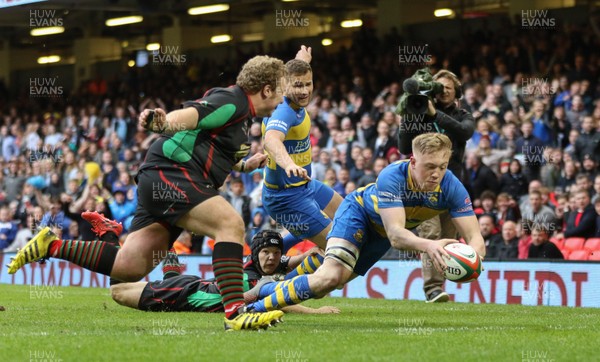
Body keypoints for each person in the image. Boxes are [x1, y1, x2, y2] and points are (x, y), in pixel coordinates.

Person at [8, 53, 295, 331]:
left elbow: (215, 150)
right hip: (171, 173)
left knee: (129, 267)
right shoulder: (234, 100)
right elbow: (192, 115)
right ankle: (235, 313)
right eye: (280, 91)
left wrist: (246, 165)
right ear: (266, 89)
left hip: (164, 179)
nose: (283, 98)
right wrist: (162, 123)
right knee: (230, 224)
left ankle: (52, 245)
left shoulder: (242, 118)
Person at [248, 133, 486, 312]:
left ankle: (266, 288)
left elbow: (475, 237)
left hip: (378, 239)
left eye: (442, 167)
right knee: (330, 276)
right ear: (413, 161)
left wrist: (474, 258)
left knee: (325, 287)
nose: (437, 174)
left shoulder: (452, 186)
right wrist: (430, 245)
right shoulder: (393, 176)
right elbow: (396, 234)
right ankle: (251, 309)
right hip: (358, 213)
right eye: (430, 167)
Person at [110, 229, 339, 315]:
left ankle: (168, 249)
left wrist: (313, 253)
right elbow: (281, 301)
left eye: (276, 253)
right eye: (267, 252)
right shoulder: (252, 281)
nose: (272, 257)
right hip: (184, 294)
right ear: (257, 253)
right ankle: (110, 237)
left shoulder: (265, 262)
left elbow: (289, 261)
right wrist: (315, 312)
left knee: (171, 276)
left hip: (195, 282)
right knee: (118, 292)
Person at [398, 69, 476, 303]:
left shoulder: (463, 115)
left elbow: (464, 132)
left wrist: (434, 115)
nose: (442, 92)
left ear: (457, 94)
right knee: (431, 234)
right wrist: (407, 118)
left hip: (452, 186)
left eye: (447, 89)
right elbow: (403, 147)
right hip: (423, 186)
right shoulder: (419, 111)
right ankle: (432, 289)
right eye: (438, 88)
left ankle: (442, 283)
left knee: (448, 236)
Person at [261, 53, 343, 253]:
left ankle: (270, 251)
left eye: (309, 84)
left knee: (350, 215)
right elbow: (271, 139)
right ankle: (282, 279)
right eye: (298, 86)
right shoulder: (284, 111)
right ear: (284, 85)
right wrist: (288, 164)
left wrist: (303, 60)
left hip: (305, 187)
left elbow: (296, 73)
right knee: (342, 248)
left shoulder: (294, 96)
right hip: (285, 197)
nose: (305, 91)